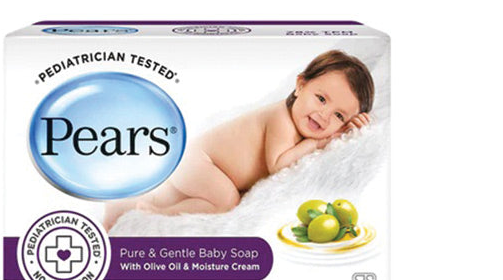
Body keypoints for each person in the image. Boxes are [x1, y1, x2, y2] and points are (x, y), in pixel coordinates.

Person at [104, 50, 374, 229]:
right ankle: (151, 214)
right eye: (321, 98)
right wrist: (315, 144)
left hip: (207, 167)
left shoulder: (297, 123)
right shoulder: (281, 118)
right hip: (199, 160)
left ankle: (128, 201)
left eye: (339, 116)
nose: (324, 115)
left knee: (176, 194)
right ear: (300, 85)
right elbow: (279, 165)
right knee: (224, 201)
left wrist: (351, 128)